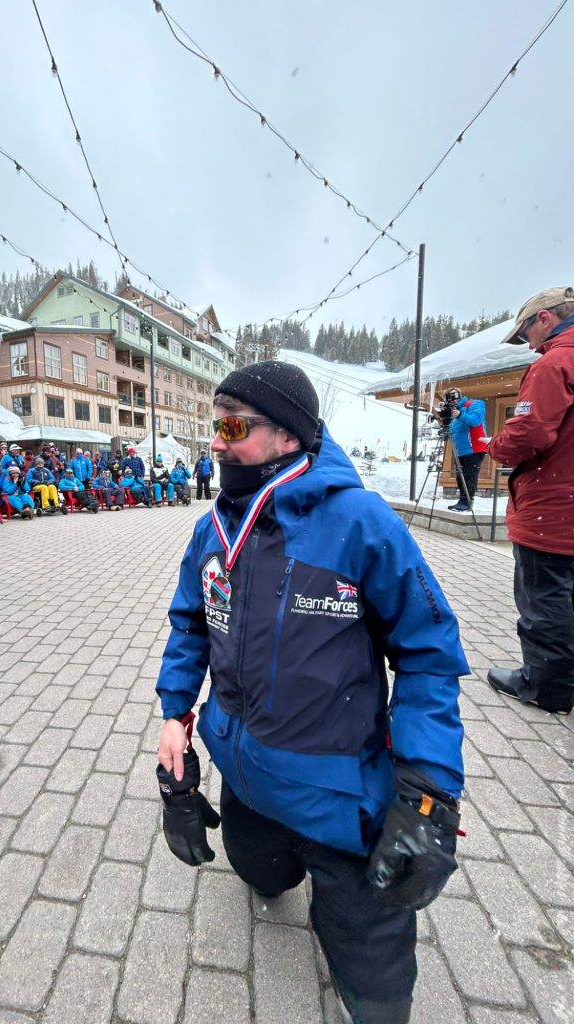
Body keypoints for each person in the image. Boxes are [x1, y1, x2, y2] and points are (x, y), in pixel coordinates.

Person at [154, 360, 467, 1024]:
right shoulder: (212, 530)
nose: (215, 441)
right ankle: (273, 856)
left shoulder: (359, 522)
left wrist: (429, 794)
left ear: (288, 435)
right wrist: (175, 718)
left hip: (338, 794)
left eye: (232, 425)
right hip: (245, 771)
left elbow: (429, 653)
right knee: (259, 873)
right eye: (214, 425)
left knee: (370, 967)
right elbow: (188, 625)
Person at [485, 286, 574, 715]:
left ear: (544, 318)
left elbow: (530, 432)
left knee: (544, 597)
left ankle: (546, 686)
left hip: (554, 507)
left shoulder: (554, 363)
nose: (528, 345)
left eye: (525, 334)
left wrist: (495, 446)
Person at [442, 387, 489, 512]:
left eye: (452, 400)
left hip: (474, 448)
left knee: (469, 476)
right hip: (461, 451)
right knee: (460, 477)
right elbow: (454, 430)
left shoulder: (474, 404)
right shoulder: (454, 413)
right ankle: (462, 501)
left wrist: (460, 414)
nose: (451, 403)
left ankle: (467, 502)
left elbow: (475, 421)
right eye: (449, 401)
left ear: (458, 396)